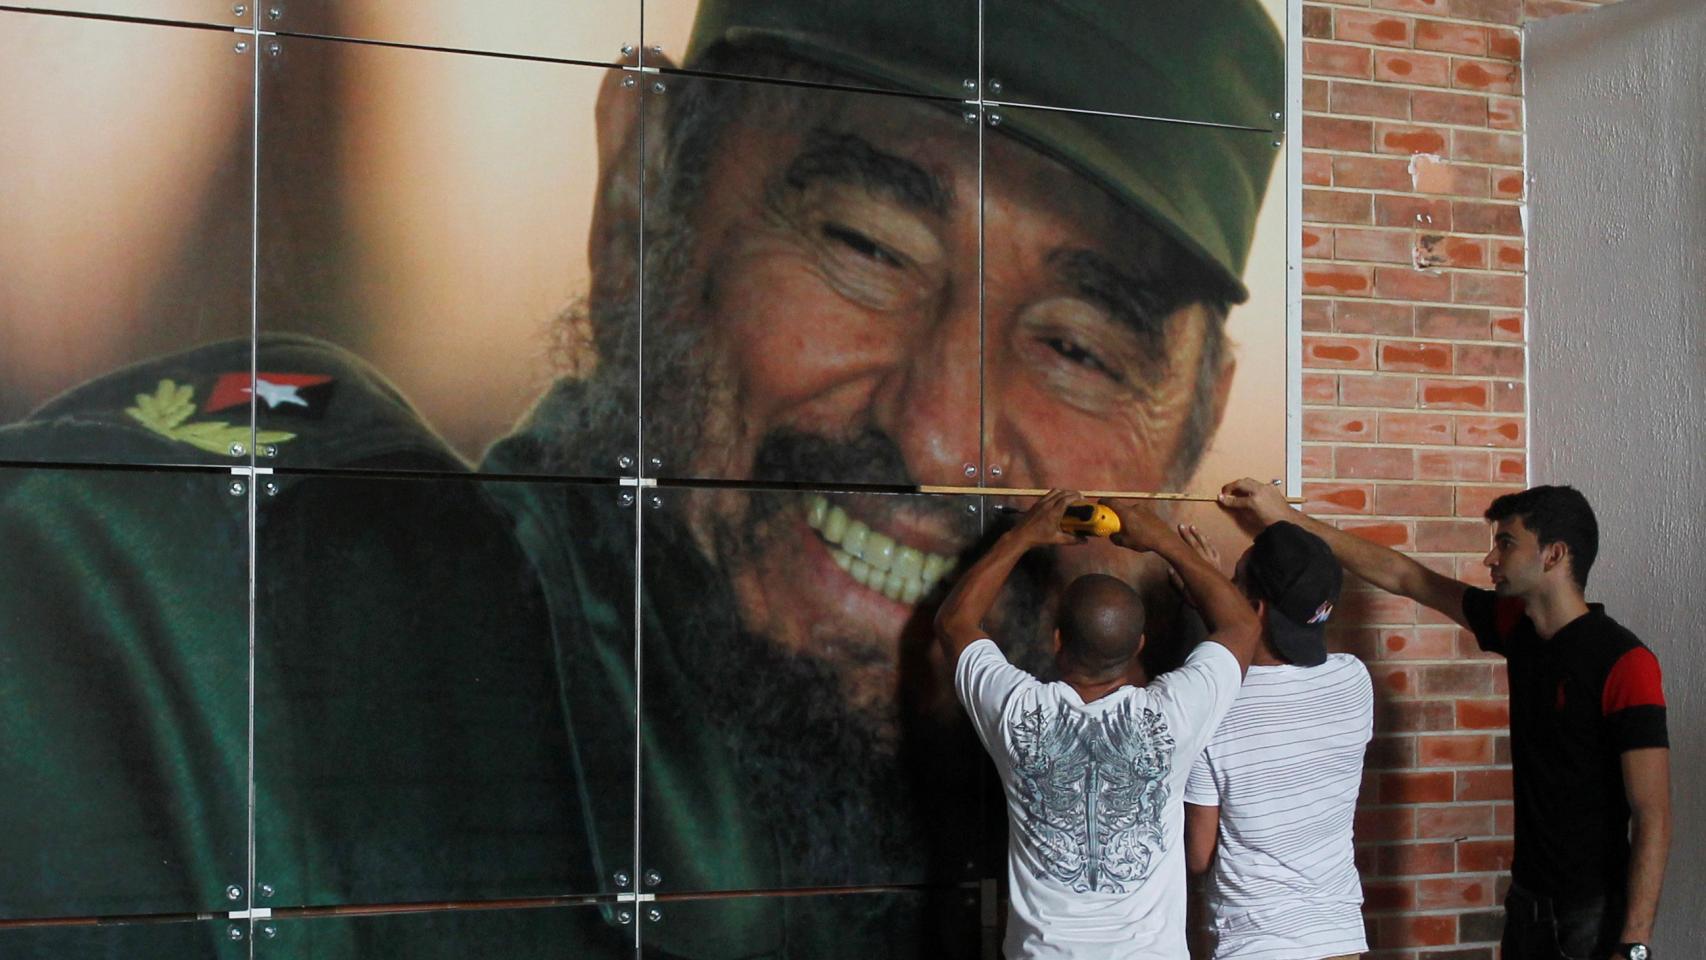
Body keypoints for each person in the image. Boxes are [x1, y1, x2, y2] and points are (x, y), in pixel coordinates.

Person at [0, 2, 1283, 956]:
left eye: (1078, 347)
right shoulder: (205, 650)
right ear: (638, 196)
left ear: (1187, 433)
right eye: (865, 247)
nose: (947, 436)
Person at [1218, 479, 1669, 960]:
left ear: (1554, 555)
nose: (1491, 559)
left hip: (1593, 916)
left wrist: (1633, 943)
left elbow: (1653, 814)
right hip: (1528, 903)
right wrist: (1285, 520)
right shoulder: (1518, 628)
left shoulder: (1625, 662)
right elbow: (1408, 577)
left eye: (1506, 543)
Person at [934, 491, 1261, 958]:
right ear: (1139, 646)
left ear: (1057, 639)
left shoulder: (1018, 712)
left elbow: (955, 622)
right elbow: (1242, 626)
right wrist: (1164, 541)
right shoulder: (1174, 716)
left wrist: (1022, 537)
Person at [1179, 521, 1371, 960]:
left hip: (1256, 944)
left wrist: (1207, 598)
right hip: (1338, 941)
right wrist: (1226, 598)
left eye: (1235, 580)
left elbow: (1198, 855)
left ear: (1257, 608)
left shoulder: (1216, 703)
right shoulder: (1353, 680)